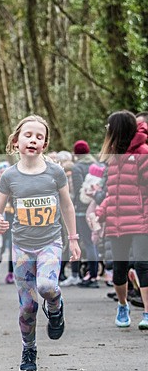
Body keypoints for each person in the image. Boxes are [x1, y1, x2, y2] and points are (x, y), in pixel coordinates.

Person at [0, 115, 80, 371]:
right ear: (16, 141)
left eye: (39, 137)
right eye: (28, 135)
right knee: (27, 306)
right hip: (22, 246)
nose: (33, 140)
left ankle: (55, 306)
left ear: (45, 144)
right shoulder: (9, 176)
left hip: (50, 242)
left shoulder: (55, 172)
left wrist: (73, 239)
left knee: (47, 286)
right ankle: (29, 349)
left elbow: (67, 206)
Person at [94, 110, 148, 329]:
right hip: (117, 222)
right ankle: (123, 305)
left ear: (118, 129)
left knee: (143, 265)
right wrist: (100, 213)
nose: (107, 131)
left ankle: (147, 312)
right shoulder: (114, 157)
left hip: (141, 220)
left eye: (109, 127)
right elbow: (113, 193)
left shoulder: (143, 153)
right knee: (118, 269)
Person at [67, 140, 100, 287]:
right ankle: (93, 274)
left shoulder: (77, 168)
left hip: (81, 209)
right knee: (93, 241)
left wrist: (73, 205)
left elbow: (78, 189)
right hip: (96, 207)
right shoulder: (97, 165)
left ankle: (89, 276)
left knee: (85, 242)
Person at [0, 161, 16, 284]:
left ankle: (11, 273)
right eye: (2, 172)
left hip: (12, 222)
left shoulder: (15, 186)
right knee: (1, 247)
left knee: (11, 248)